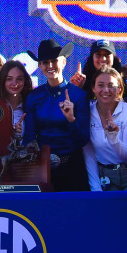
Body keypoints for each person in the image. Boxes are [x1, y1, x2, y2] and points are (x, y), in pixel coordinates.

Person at [22, 39, 90, 191]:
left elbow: (84, 139)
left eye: (54, 61)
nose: (50, 66)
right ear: (39, 66)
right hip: (42, 167)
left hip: (73, 167)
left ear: (64, 62)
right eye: (45, 62)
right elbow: (30, 137)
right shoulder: (34, 96)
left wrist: (71, 120)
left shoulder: (78, 95)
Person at [84, 66, 127, 191]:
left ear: (120, 89)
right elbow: (89, 153)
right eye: (100, 85)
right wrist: (96, 188)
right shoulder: (87, 112)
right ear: (93, 88)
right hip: (104, 175)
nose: (106, 90)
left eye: (111, 85)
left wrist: (114, 140)